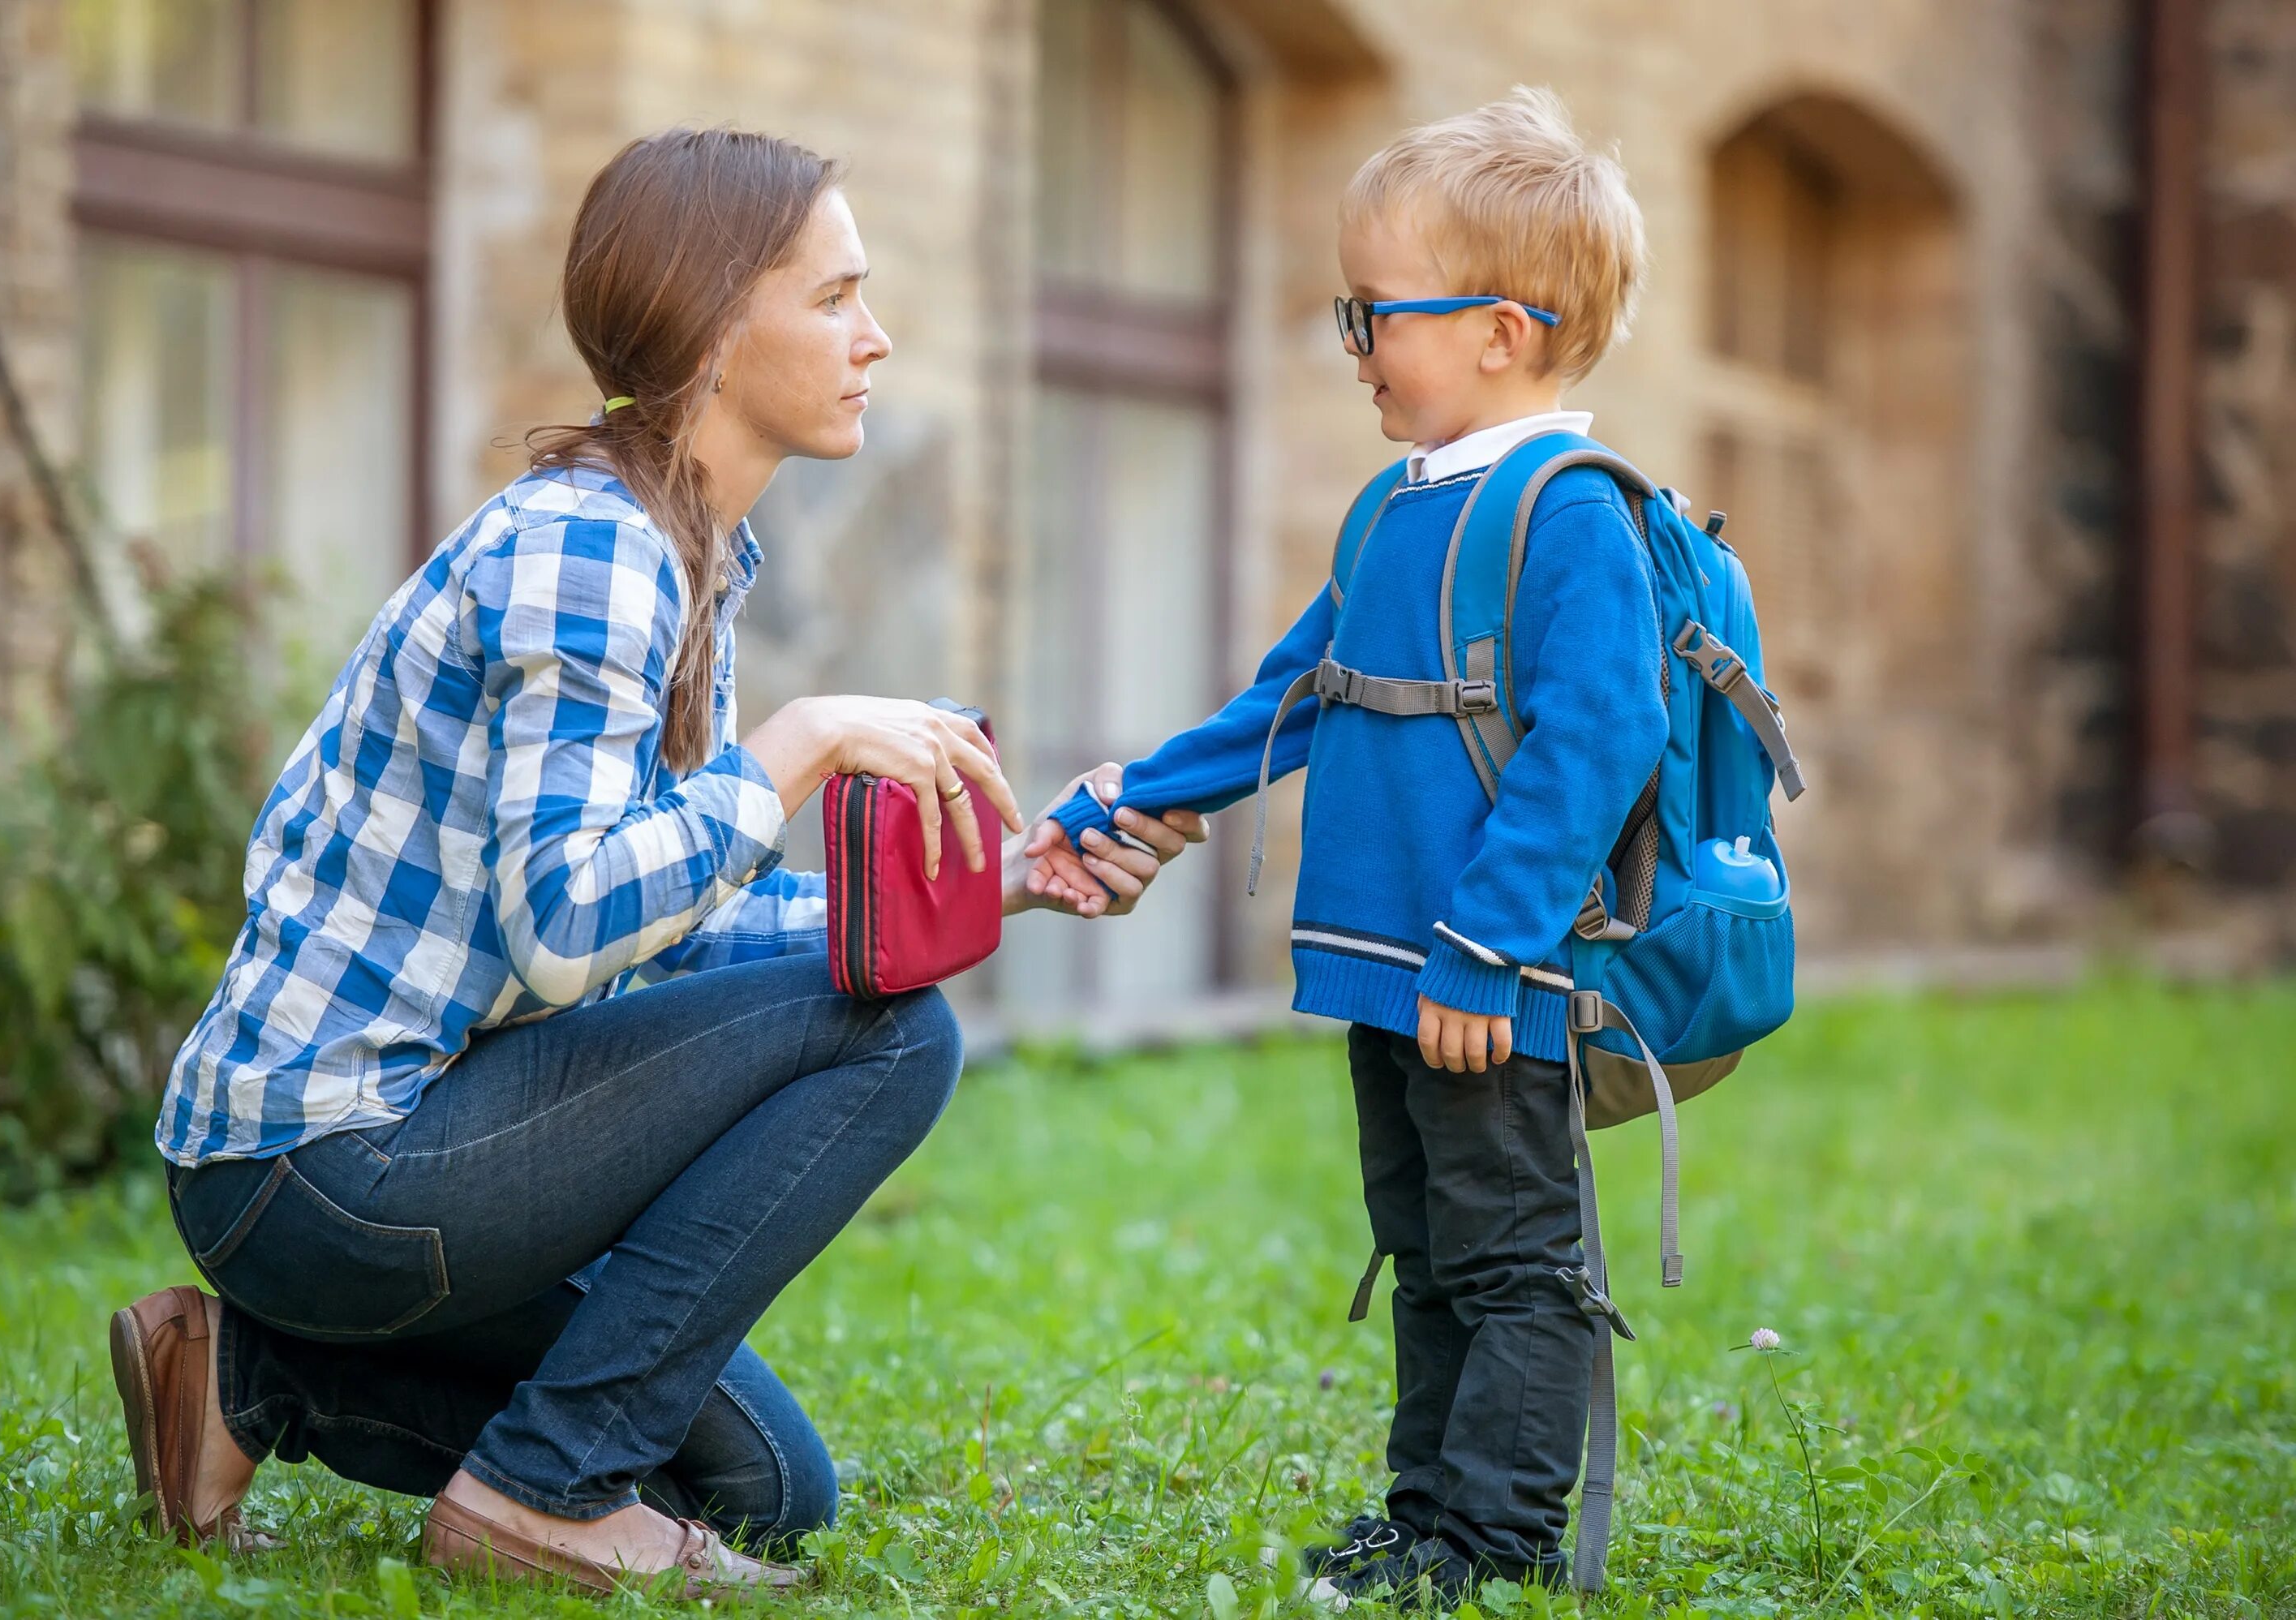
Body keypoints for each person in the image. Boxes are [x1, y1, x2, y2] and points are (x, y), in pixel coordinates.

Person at [107, 127, 1206, 1598]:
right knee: (897, 1036)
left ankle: (247, 1378)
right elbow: (567, 927)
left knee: (763, 1488)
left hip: (375, 1171)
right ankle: (540, 1500)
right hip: (326, 1162)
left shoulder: (680, 559)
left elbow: (673, 925)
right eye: (834, 298)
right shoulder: (591, 551)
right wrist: (805, 741)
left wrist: (997, 878)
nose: (875, 338)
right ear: (709, 318)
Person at [1044, 90, 1663, 1601]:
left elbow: (1601, 741)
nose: (1355, 344)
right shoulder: (1393, 506)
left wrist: (1489, 944)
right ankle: (1424, 1511)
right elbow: (1290, 696)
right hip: (1393, 975)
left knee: (1515, 1259)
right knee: (1426, 1244)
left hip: (1483, 972)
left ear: (1501, 332)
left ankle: (1492, 1538)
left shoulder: (1570, 513)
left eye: (1372, 312)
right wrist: (1133, 799)